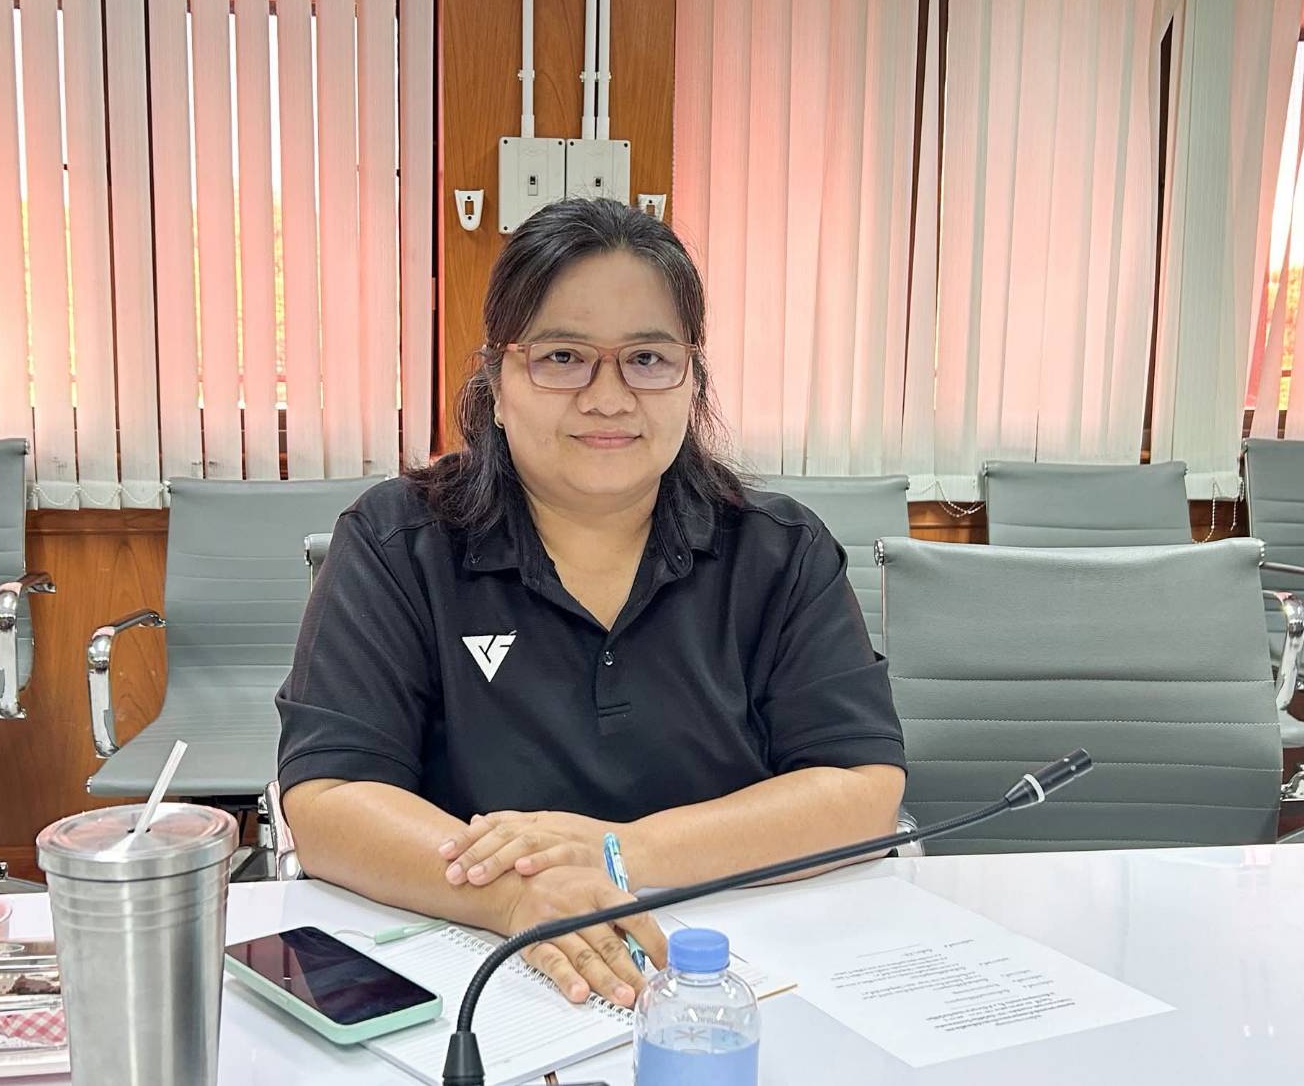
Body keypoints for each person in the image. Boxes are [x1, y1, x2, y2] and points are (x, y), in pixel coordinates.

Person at [277, 197, 905, 1010]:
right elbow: (328, 800)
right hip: (478, 968)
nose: (608, 398)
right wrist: (517, 897)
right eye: (562, 356)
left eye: (646, 358)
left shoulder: (777, 550)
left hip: (732, 969)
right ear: (496, 381)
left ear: (691, 378)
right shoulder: (399, 542)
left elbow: (859, 788)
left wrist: (619, 851)